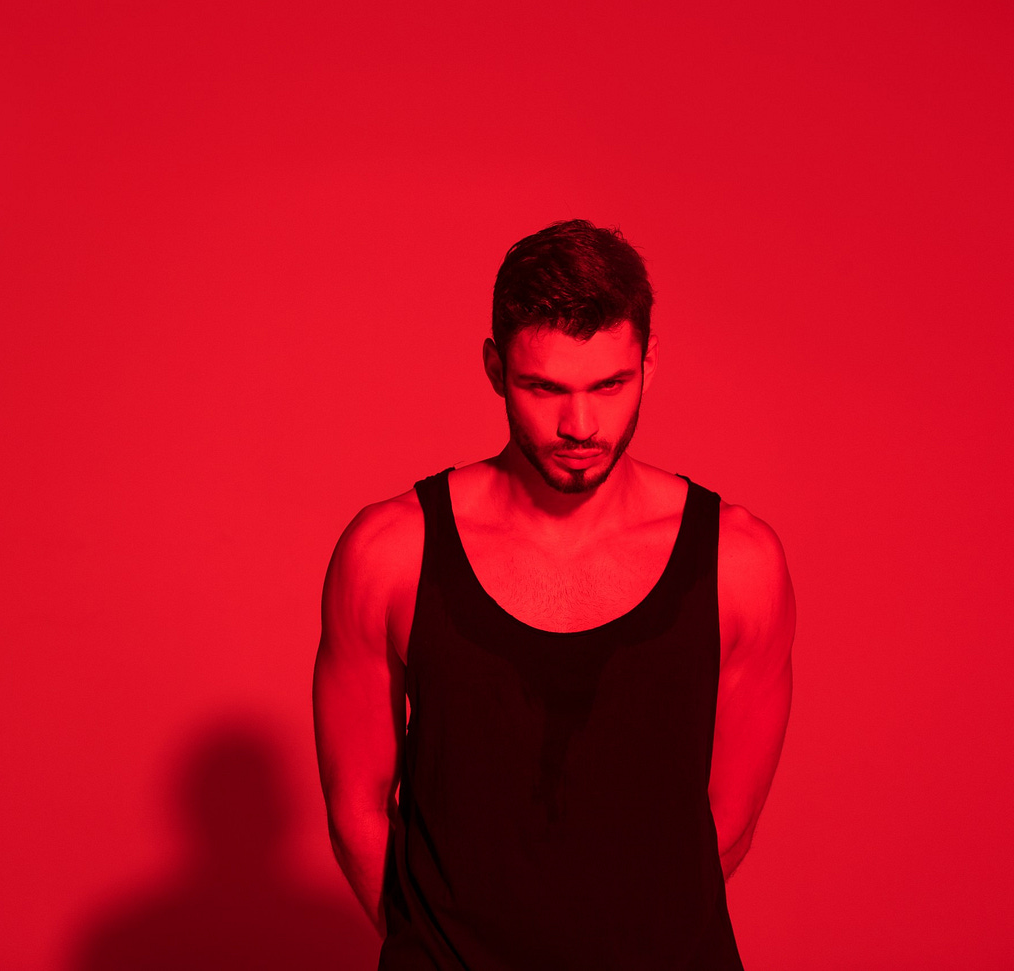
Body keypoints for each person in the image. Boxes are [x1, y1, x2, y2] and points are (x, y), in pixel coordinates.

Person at [311, 220, 795, 970]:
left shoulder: (740, 560)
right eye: (545, 387)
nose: (580, 424)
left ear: (649, 362)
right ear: (495, 367)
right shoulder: (390, 551)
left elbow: (728, 822)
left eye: (610, 384)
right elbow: (355, 805)